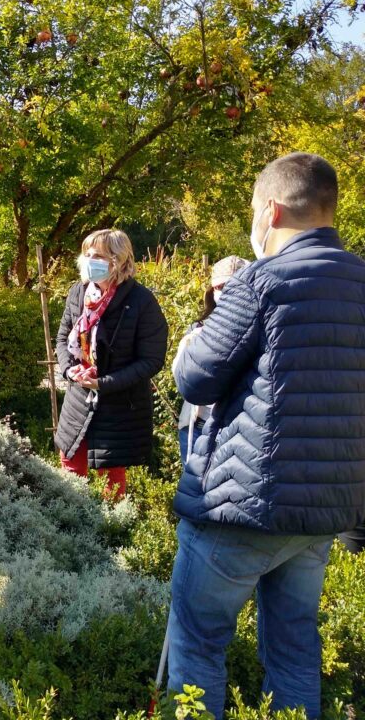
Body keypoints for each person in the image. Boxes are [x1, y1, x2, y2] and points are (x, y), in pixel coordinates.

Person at [169, 153, 365, 719]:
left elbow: (195, 376)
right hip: (324, 510)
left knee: (199, 642)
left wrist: (197, 341)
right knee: (295, 648)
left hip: (244, 505)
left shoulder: (262, 279)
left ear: (271, 210)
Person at [55, 229, 168, 498]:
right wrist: (70, 369)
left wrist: (104, 383)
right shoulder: (79, 293)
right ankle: (70, 527)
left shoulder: (141, 302)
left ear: (118, 260)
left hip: (118, 402)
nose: (89, 260)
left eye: (99, 255)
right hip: (79, 398)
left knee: (112, 478)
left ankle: (111, 534)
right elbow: (62, 338)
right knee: (70, 468)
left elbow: (151, 360)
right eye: (87, 254)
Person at [176, 256, 249, 465]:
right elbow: (184, 378)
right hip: (197, 425)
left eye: (233, 285)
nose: (226, 292)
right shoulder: (198, 329)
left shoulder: (262, 331)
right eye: (220, 286)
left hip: (237, 429)